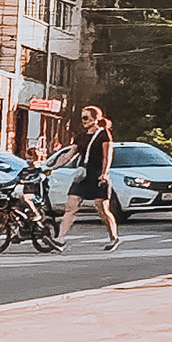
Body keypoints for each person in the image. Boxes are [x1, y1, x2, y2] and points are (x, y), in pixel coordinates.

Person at [56, 102, 119, 251]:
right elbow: (69, 154)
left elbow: (107, 155)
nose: (83, 121)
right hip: (83, 175)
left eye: (86, 117)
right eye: (82, 118)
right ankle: (60, 239)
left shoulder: (104, 134)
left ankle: (113, 237)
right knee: (71, 206)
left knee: (102, 209)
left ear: (95, 119)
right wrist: (52, 166)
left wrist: (104, 173)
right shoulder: (81, 136)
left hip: (97, 175)